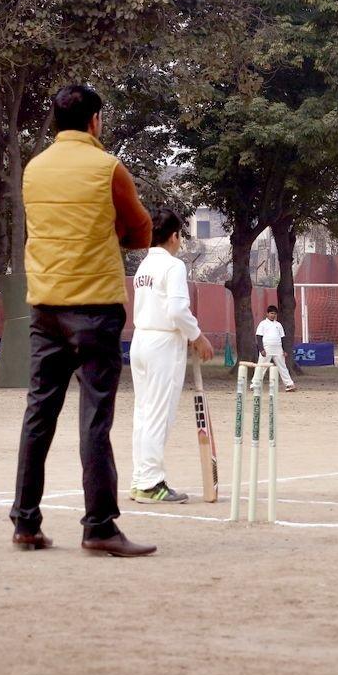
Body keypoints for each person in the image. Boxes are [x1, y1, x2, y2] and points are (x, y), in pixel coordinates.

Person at [9, 85, 157, 557]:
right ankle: (99, 527)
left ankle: (26, 522)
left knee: (39, 414)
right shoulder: (107, 168)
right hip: (95, 308)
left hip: (45, 308)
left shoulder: (33, 170)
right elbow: (143, 231)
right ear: (95, 120)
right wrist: (109, 230)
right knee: (94, 419)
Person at [130, 209, 215, 503]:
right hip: (162, 344)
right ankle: (151, 483)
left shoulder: (143, 267)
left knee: (143, 413)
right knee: (157, 414)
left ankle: (141, 478)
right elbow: (177, 310)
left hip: (141, 340)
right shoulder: (173, 266)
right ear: (174, 236)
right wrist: (198, 336)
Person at [252, 305, 296, 392]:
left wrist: (285, 350)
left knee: (282, 366)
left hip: (278, 348)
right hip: (267, 348)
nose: (273, 315)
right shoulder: (263, 324)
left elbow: (283, 338)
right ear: (267, 314)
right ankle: (255, 384)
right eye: (271, 313)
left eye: (274, 314)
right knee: (261, 366)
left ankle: (289, 384)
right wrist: (261, 349)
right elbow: (259, 337)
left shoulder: (278, 325)